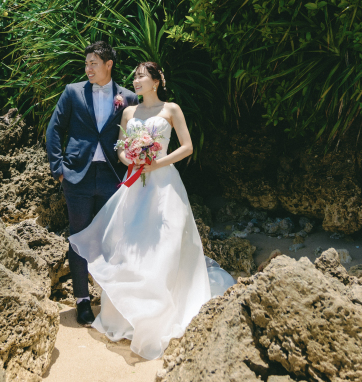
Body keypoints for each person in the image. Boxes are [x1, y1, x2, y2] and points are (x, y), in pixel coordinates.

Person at [68, 61, 235, 360]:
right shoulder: (129, 112)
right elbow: (120, 148)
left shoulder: (171, 109)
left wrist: (156, 163)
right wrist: (130, 158)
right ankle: (127, 316)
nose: (136, 81)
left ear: (156, 81)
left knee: (163, 246)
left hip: (164, 184)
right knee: (129, 245)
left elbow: (187, 147)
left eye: (142, 76)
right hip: (134, 183)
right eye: (134, 76)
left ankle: (162, 312)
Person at [46, 41, 139, 326]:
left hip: (113, 177)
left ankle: (111, 300)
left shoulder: (128, 97)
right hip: (77, 177)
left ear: (108, 65)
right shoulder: (73, 92)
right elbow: (54, 129)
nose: (88, 68)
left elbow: (134, 137)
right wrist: (58, 169)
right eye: (86, 63)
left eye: (93, 63)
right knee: (78, 238)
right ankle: (82, 301)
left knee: (113, 239)